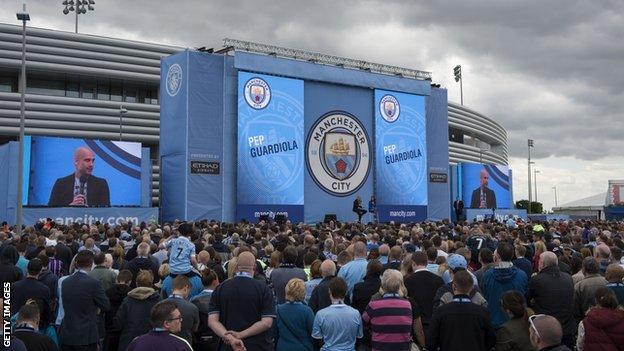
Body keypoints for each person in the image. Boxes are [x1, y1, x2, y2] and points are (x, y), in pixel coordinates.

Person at [208, 251, 275, 351]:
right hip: (257, 346)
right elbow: (267, 322)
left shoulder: (220, 288)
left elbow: (212, 321)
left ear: (237, 267)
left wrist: (230, 338)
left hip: (228, 346)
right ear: (254, 267)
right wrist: (240, 335)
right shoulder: (264, 289)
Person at [427, 270, 496, 351]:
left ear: (453, 287)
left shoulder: (441, 312)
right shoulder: (482, 312)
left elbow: (431, 341)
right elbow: (491, 340)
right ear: (471, 288)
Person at [57, 250, 110, 351]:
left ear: (76, 264)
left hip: (68, 334)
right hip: (86, 336)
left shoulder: (65, 282)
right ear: (91, 264)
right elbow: (106, 305)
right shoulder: (93, 283)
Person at [362, 269, 420, 351]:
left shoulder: (374, 305)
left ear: (383, 284)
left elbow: (363, 323)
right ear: (399, 285)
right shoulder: (407, 304)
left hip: (379, 347)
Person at [528, 251, 576, 348]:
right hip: (567, 327)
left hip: (547, 330)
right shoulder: (568, 278)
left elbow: (527, 299)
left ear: (542, 263)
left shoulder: (537, 280)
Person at [482, 242, 528, 328]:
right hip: (513, 323)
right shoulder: (522, 275)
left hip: (496, 321)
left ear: (497, 256)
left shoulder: (488, 275)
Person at [312, 277, 363, 351]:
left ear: (330, 291)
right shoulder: (355, 313)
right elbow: (359, 338)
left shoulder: (321, 314)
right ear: (345, 292)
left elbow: (316, 339)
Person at [116, 270, 162, 351]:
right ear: (151, 283)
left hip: (129, 341)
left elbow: (119, 322)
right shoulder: (158, 300)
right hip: (152, 343)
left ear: (136, 283)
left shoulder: (128, 300)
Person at [126, 300, 193, 351]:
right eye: (178, 318)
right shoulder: (181, 345)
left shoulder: (136, 342)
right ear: (167, 324)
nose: (181, 320)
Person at [404, 251, 444, 334]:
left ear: (413, 263)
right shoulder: (438, 280)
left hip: (415, 323)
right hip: (435, 323)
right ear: (426, 263)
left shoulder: (408, 281)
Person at [11, 258, 53, 329]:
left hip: (15, 326)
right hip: (35, 327)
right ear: (40, 271)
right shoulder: (44, 289)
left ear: (27, 269)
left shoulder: (14, 286)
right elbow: (47, 312)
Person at [275, 278, 315, 351]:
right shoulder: (307, 311)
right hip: (302, 347)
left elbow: (274, 332)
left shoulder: (278, 309)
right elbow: (313, 332)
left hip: (283, 347)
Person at [163, 276, 200, 346]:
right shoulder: (192, 307)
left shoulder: (160, 305)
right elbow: (195, 329)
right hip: (185, 344)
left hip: (165, 345)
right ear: (186, 288)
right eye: (189, 291)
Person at [190, 268, 219, 351]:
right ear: (215, 281)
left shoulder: (193, 300)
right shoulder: (220, 299)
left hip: (199, 339)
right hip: (216, 338)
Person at [104, 270, 133, 351]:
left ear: (117, 279)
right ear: (130, 281)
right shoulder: (132, 293)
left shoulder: (108, 292)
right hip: (125, 329)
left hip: (110, 327)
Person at [574, 257, 608, 322]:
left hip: (586, 321)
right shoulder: (606, 282)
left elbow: (576, 309)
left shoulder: (579, 286)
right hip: (606, 320)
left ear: (584, 269)